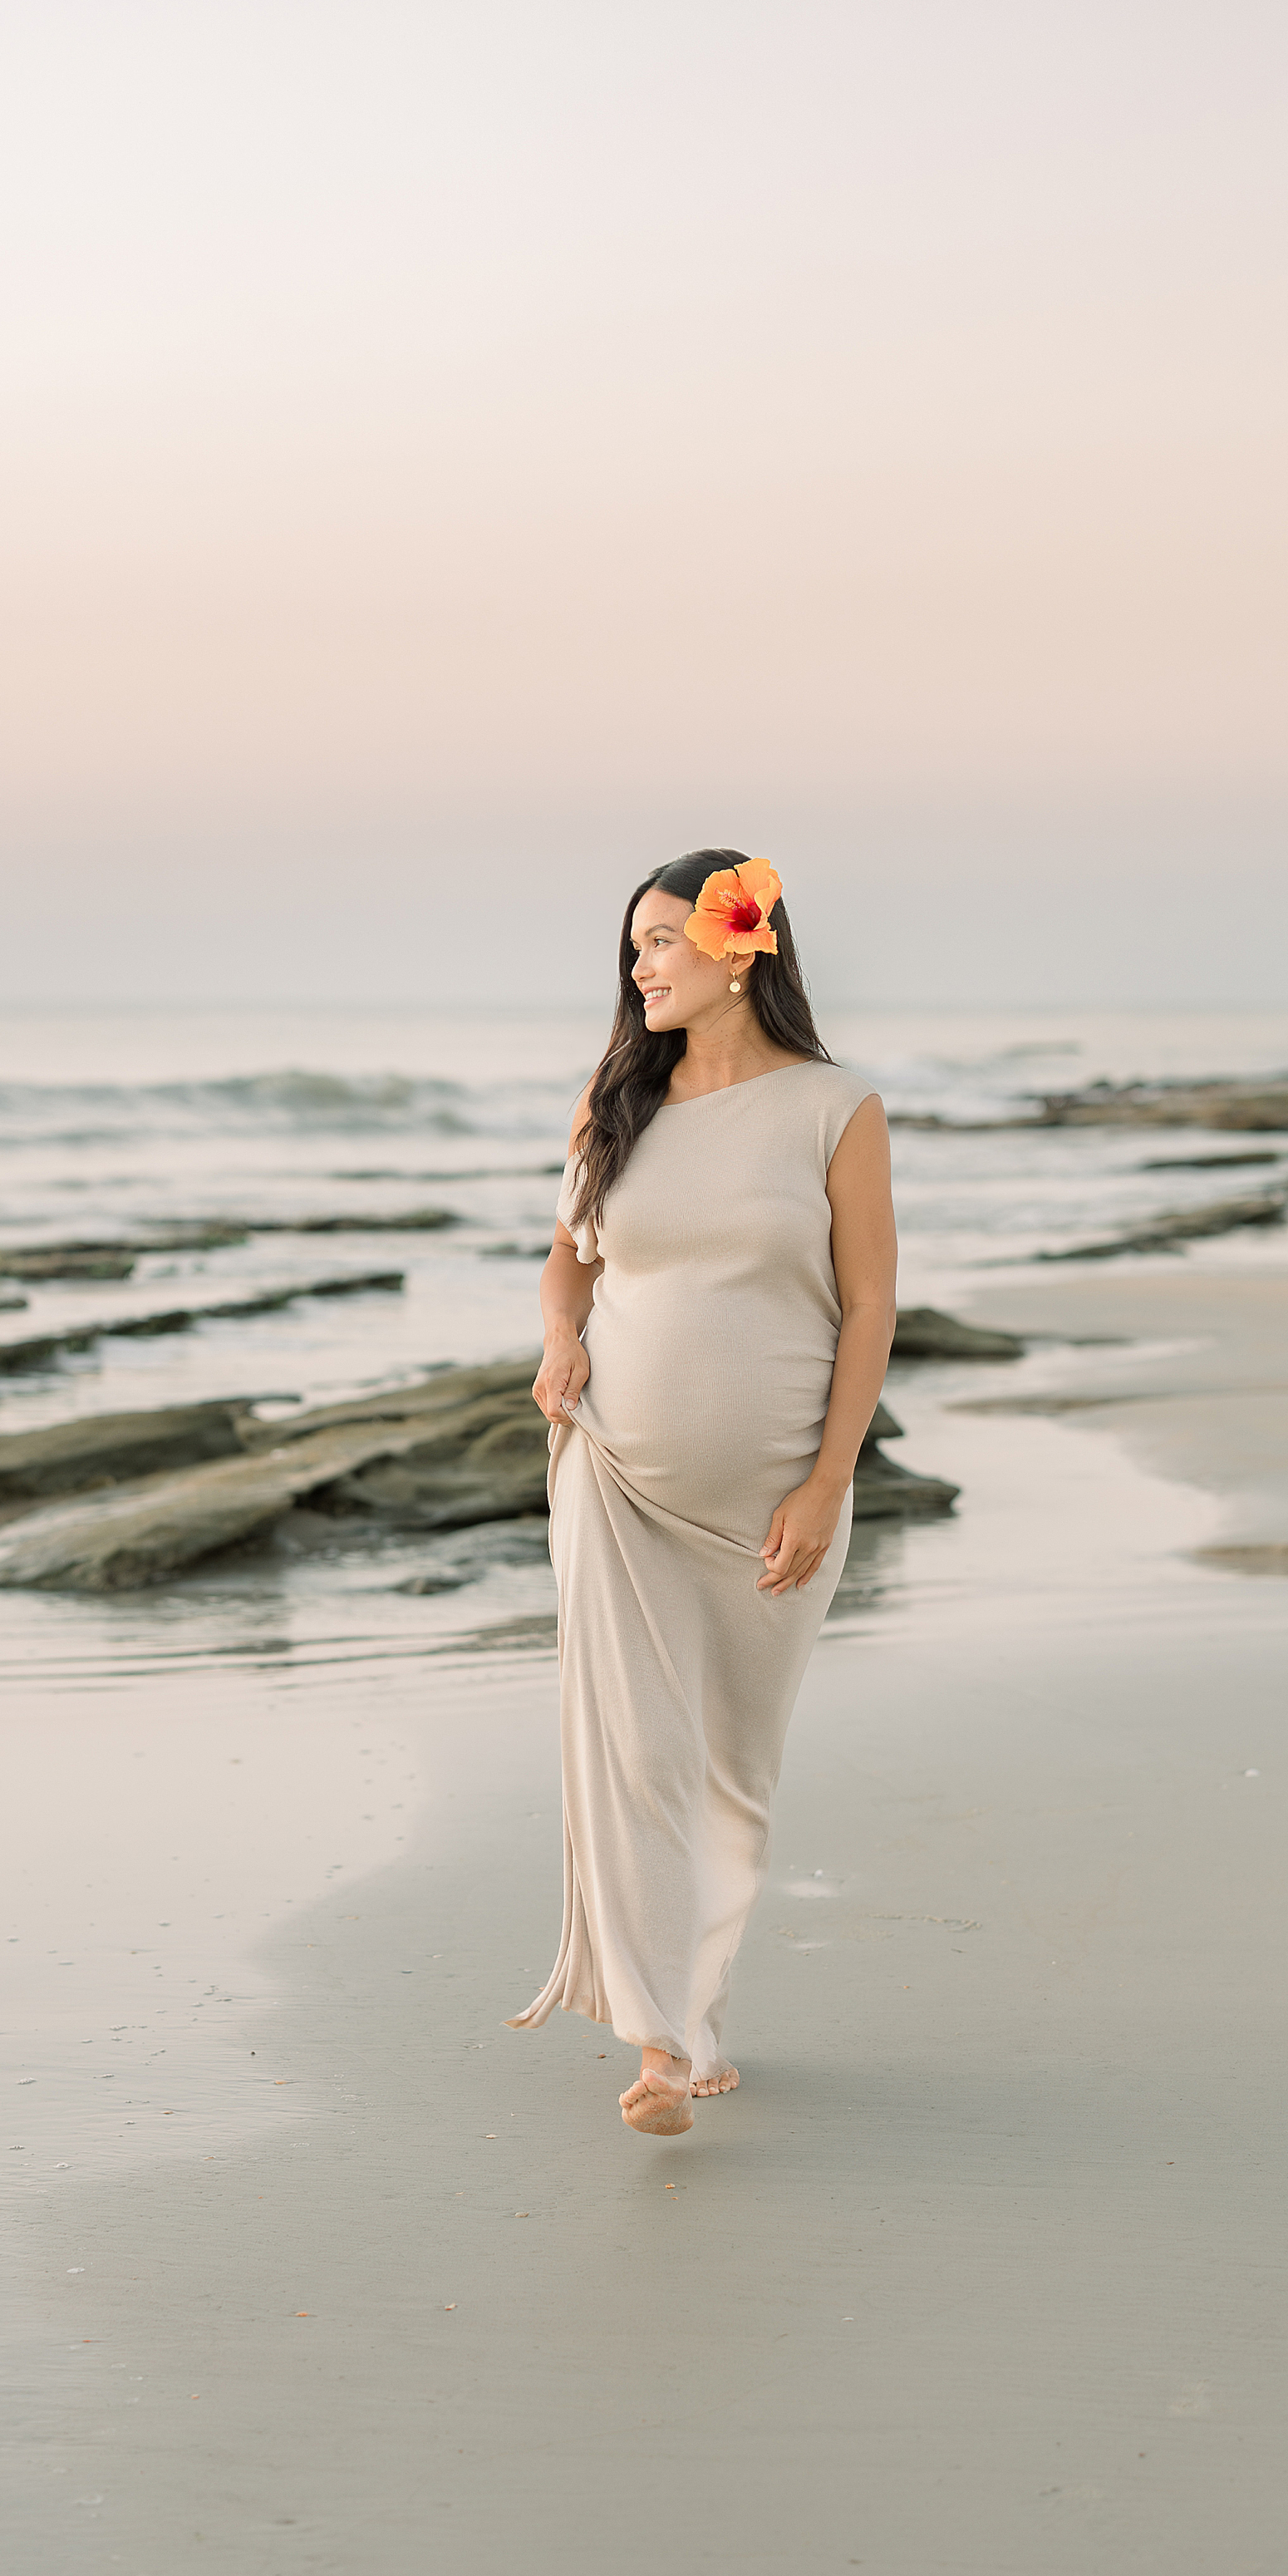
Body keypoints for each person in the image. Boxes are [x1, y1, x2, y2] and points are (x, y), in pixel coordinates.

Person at [508, 849, 896, 2135]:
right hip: (614, 1472)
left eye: (665, 941)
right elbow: (569, 1267)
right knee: (638, 1756)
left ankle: (697, 2007)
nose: (642, 966)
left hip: (772, 1498)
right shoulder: (616, 1102)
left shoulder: (835, 1109)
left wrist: (829, 1481)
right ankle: (659, 2044)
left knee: (730, 1764)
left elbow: (872, 1306)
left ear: (744, 946)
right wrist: (561, 1342)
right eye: (633, 948)